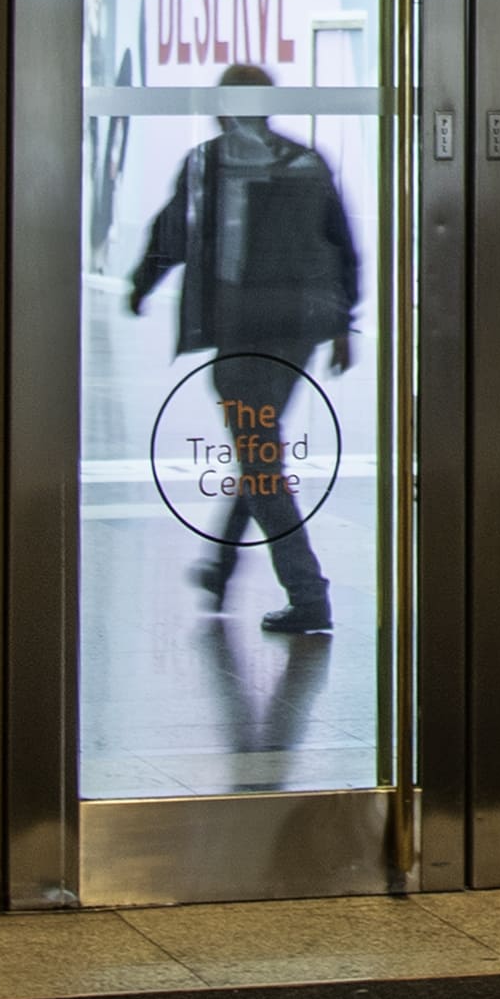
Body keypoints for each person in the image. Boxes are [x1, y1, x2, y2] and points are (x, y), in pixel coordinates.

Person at [127, 62, 362, 636]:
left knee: (260, 461)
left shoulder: (209, 161)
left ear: (223, 105)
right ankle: (222, 564)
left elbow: (171, 235)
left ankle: (308, 593)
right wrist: (341, 323)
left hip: (241, 330)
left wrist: (140, 285)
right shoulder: (307, 161)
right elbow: (341, 245)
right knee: (260, 453)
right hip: (297, 330)